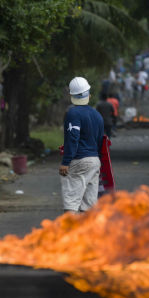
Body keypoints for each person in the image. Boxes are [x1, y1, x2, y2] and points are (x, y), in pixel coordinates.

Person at [59, 77, 105, 213]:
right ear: (88, 94)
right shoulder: (97, 115)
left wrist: (66, 161)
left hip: (79, 160)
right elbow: (100, 142)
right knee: (89, 206)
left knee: (71, 203)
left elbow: (73, 138)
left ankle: (71, 232)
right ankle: (88, 233)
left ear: (72, 95)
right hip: (94, 161)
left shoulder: (72, 113)